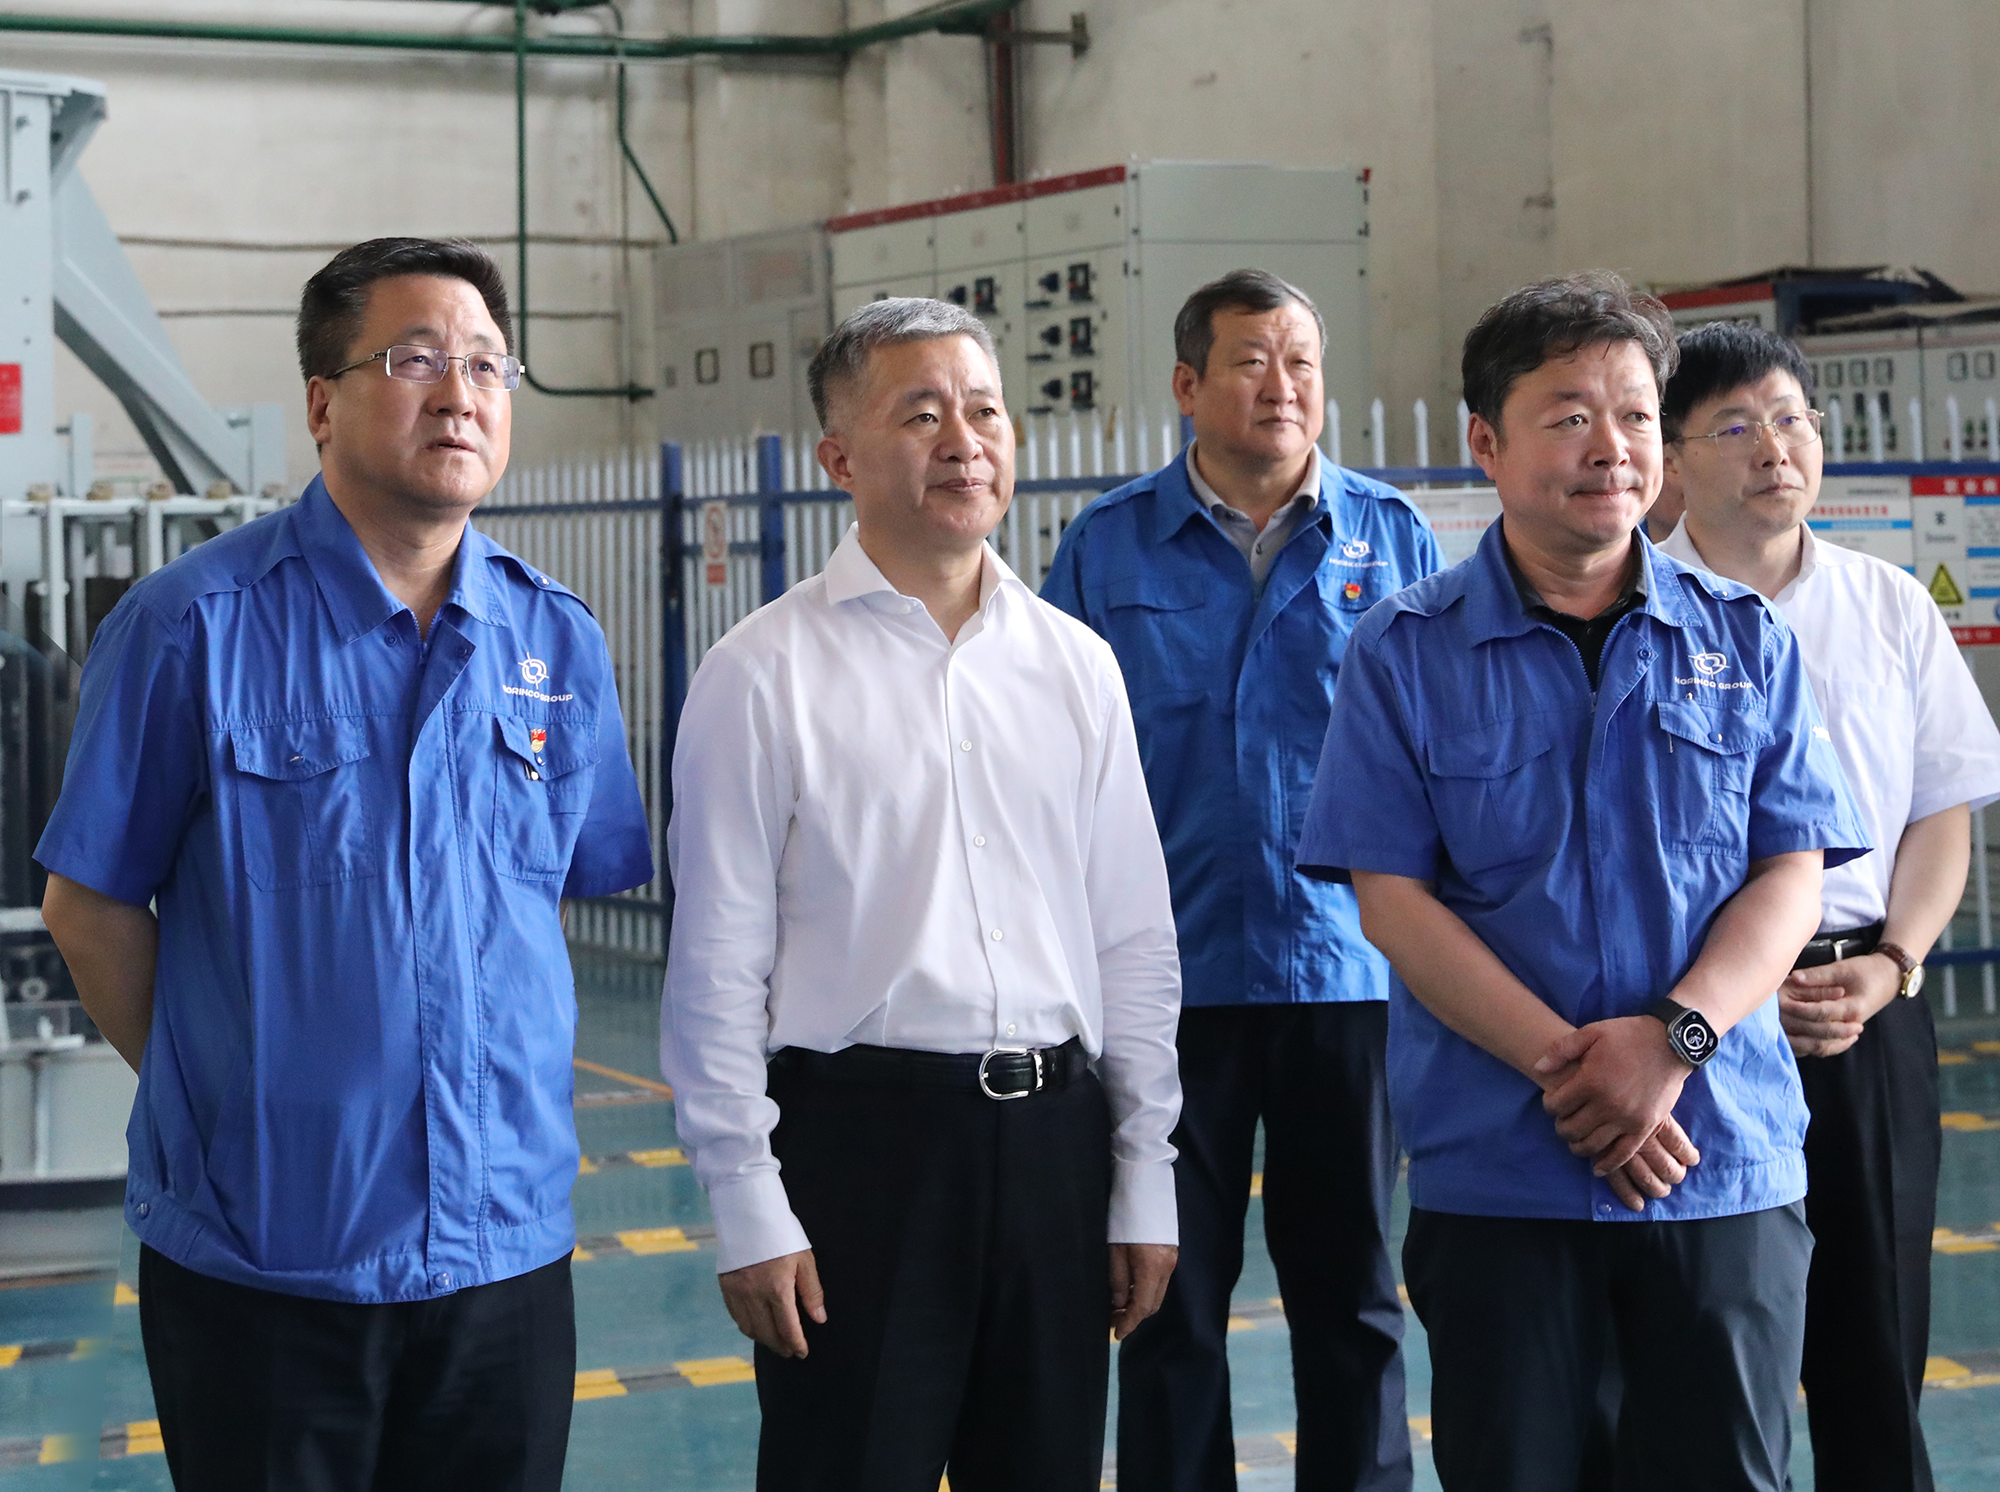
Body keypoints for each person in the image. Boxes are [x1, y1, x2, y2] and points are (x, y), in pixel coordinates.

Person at [36, 237, 653, 1492]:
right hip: (266, 1258)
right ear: (322, 402)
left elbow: (556, 893)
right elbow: (88, 906)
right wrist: (229, 1094)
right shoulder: (192, 626)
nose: (461, 394)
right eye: (415, 359)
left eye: (487, 364)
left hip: (504, 1249)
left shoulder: (553, 637)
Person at [1296, 271, 1869, 1491]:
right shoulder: (1402, 653)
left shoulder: (1742, 639)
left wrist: (1671, 1043)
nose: (1610, 447)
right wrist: (1575, 1067)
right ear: (1485, 444)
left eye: (1634, 416)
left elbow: (1789, 870)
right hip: (1504, 1168)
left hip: (1715, 1158)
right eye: (1566, 417)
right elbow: (1390, 899)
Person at [660, 297, 1183, 1492]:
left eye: (984, 411)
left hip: (1054, 1148)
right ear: (838, 457)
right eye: (921, 415)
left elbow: (1131, 936)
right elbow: (716, 963)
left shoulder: (1075, 666)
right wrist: (746, 1198)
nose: (964, 441)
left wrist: (1141, 1170)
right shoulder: (760, 674)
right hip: (861, 1155)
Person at [1042, 267, 1441, 1492]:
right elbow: (1051, 766)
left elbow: (1439, 755)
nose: (1282, 386)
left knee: (1353, 1295)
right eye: (1251, 361)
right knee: (1164, 1291)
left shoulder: (1392, 537)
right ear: (1187, 383)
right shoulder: (1108, 545)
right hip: (1167, 982)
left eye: (1302, 363)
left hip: (1347, 974)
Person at [1658, 320, 2000, 1492]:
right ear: (1671, 454)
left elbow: (1938, 810)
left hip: (1862, 1005)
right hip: (1694, 1020)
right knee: (1699, 1351)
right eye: (1735, 425)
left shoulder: (1888, 604)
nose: (1774, 446)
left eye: (1791, 418)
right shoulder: (1637, 609)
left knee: (1875, 1341)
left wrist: (1894, 960)